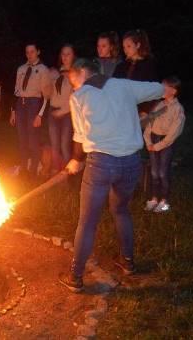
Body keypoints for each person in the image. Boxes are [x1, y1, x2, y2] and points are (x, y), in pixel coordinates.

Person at [58, 59, 163, 292]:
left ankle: (75, 277)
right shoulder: (124, 85)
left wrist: (76, 159)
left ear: (83, 72)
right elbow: (160, 89)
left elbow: (79, 137)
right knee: (121, 210)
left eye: (72, 78)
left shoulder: (79, 97)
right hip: (131, 163)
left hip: (101, 165)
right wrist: (147, 107)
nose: (72, 84)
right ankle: (128, 264)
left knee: (87, 222)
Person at [9, 43, 51, 178]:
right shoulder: (21, 69)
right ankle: (23, 169)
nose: (30, 55)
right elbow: (16, 91)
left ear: (38, 52)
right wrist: (13, 111)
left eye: (32, 52)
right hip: (21, 104)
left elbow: (46, 95)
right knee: (22, 139)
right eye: (27, 52)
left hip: (34, 104)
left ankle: (33, 171)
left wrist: (40, 115)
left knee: (33, 140)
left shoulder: (43, 69)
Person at [144, 76, 185, 213]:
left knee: (162, 173)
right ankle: (154, 198)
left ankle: (165, 202)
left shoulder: (177, 109)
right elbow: (149, 123)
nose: (161, 89)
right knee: (154, 172)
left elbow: (173, 134)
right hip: (153, 140)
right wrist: (149, 141)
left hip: (165, 143)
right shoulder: (159, 105)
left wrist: (156, 146)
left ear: (173, 91)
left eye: (164, 86)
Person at [112, 29, 159, 122]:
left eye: (129, 46)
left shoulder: (148, 65)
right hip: (121, 111)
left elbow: (154, 89)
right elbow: (113, 87)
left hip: (139, 112)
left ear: (138, 45)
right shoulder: (121, 66)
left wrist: (145, 110)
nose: (126, 50)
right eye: (124, 47)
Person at [48, 44, 76, 174]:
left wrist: (62, 111)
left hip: (67, 114)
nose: (65, 57)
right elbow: (47, 94)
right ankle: (55, 172)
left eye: (68, 54)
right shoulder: (55, 72)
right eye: (63, 54)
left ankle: (65, 175)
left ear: (73, 56)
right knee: (54, 145)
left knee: (65, 145)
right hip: (53, 110)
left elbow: (75, 98)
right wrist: (48, 79)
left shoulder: (75, 74)